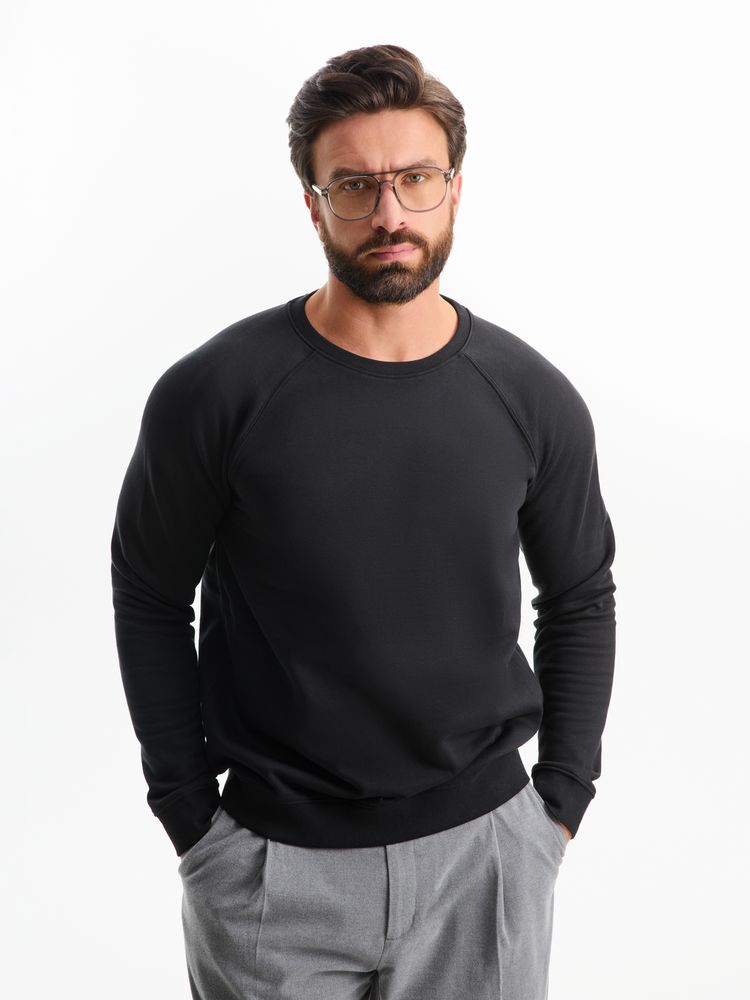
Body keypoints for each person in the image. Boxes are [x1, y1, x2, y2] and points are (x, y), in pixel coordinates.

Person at [110, 42, 617, 1000]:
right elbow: (148, 595)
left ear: (454, 189)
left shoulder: (531, 399)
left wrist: (558, 805)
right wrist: (191, 819)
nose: (390, 214)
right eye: (355, 186)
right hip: (270, 875)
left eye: (415, 179)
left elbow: (581, 595)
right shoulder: (217, 395)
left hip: (486, 864)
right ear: (314, 205)